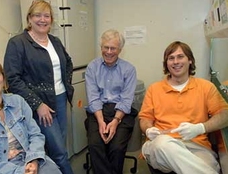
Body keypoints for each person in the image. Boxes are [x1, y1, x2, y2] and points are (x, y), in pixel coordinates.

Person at [4, 0, 74, 174]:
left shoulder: (55, 41)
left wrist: (66, 86)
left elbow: (68, 64)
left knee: (58, 148)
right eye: (37, 15)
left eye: (46, 16)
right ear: (29, 18)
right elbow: (13, 79)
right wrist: (37, 104)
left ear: (51, 20)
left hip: (60, 99)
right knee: (59, 153)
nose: (42, 19)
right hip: (40, 105)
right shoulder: (18, 43)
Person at [139, 41, 228, 174]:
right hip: (160, 147)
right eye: (171, 58)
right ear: (166, 63)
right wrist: (148, 129)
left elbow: (225, 115)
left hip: (197, 146)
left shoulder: (205, 87)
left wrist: (200, 128)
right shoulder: (154, 89)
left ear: (190, 60)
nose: (175, 62)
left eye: (180, 56)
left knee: (205, 167)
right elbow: (145, 118)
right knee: (163, 144)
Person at [85, 29, 138, 174]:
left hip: (121, 113)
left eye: (113, 48)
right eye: (105, 47)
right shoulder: (92, 67)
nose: (108, 52)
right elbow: (93, 97)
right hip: (98, 112)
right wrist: (101, 122)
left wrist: (115, 121)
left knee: (116, 148)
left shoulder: (129, 69)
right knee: (95, 145)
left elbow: (126, 100)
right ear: (101, 47)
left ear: (120, 49)